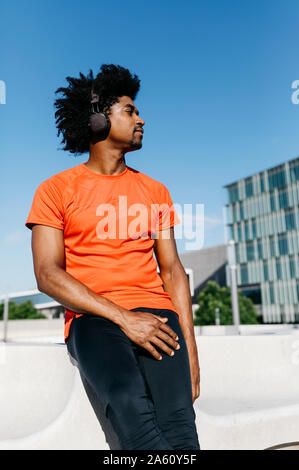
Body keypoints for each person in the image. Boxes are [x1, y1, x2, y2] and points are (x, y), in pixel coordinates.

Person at [25, 64, 200, 450]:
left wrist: (191, 354)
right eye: (129, 110)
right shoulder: (54, 190)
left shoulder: (156, 191)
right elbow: (47, 274)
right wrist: (125, 319)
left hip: (158, 315)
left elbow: (172, 272)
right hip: (94, 320)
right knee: (126, 401)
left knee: (180, 425)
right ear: (98, 119)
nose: (141, 119)